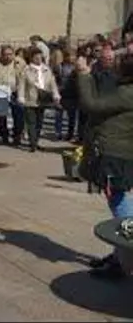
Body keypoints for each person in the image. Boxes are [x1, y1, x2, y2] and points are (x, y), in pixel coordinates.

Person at [75, 55, 133, 279]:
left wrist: (83, 74)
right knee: (118, 200)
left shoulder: (128, 93)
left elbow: (92, 105)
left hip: (115, 157)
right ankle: (120, 254)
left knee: (119, 204)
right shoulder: (124, 90)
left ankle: (125, 258)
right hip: (118, 154)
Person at [17, 46, 60, 152]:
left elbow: (52, 83)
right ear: (31, 58)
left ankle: (35, 141)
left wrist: (56, 94)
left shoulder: (46, 69)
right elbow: (22, 85)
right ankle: (33, 144)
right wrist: (21, 97)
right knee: (31, 122)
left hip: (43, 100)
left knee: (39, 123)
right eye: (36, 57)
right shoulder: (26, 70)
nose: (39, 59)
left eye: (40, 57)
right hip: (30, 100)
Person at [0, 45, 25, 146]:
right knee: (2, 117)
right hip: (1, 93)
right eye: (6, 54)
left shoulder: (19, 63)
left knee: (19, 115)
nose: (8, 57)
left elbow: (23, 78)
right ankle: (4, 136)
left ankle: (17, 135)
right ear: (2, 55)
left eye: (10, 54)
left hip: (15, 92)